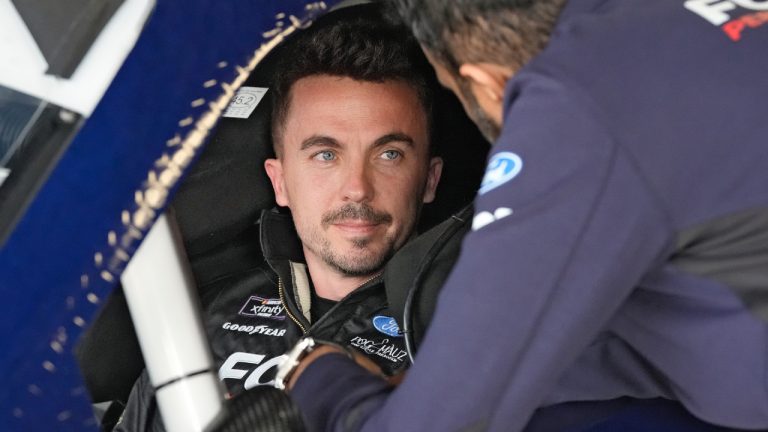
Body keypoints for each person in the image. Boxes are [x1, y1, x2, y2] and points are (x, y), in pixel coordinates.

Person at [286, 1, 768, 431]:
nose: (357, 187)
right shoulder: (667, 23)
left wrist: (318, 379)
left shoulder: (578, 109)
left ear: (488, 85)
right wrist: (446, 382)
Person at [113, 6, 442, 431]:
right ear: (280, 181)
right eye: (326, 155)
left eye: (389, 154)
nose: (357, 188)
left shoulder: (466, 326)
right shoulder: (203, 316)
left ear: (429, 179)